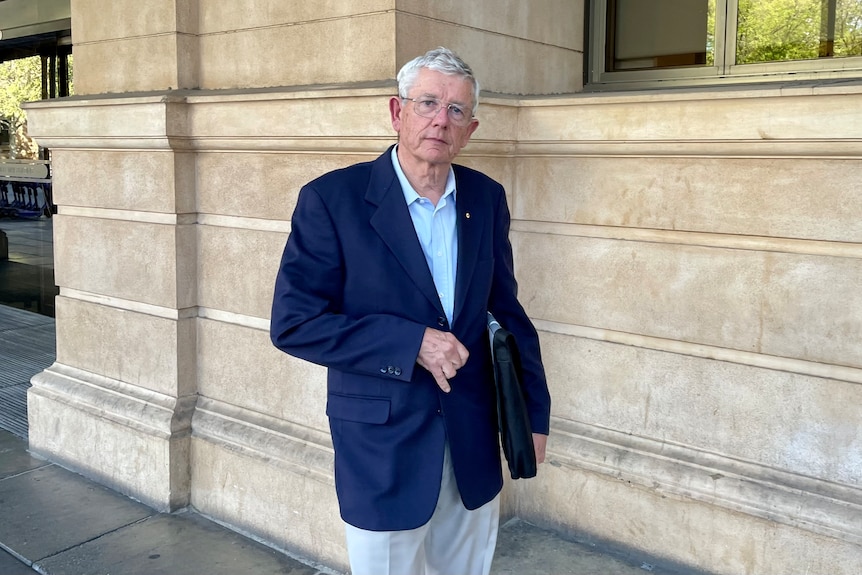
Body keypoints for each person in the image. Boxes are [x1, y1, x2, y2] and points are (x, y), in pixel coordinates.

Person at [270, 46, 551, 575]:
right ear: (398, 112)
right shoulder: (332, 200)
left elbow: (507, 314)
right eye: (427, 104)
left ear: (471, 129)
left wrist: (533, 415)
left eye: (456, 111)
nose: (440, 121)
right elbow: (294, 323)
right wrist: (410, 343)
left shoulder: (486, 199)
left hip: (472, 439)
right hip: (382, 448)